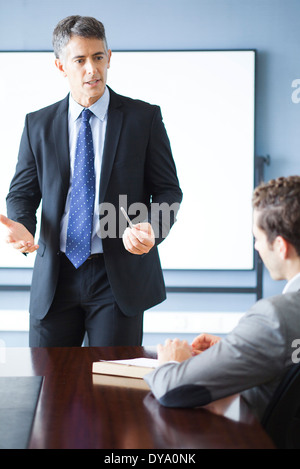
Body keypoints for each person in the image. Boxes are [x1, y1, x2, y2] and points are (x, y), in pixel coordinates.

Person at [0, 15, 182, 347]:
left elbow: (169, 190)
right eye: (80, 60)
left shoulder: (144, 118)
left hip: (118, 277)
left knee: (113, 387)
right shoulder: (37, 124)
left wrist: (153, 227)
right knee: (47, 387)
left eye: (98, 57)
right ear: (60, 66)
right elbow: (23, 193)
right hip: (55, 276)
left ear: (109, 57)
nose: (91, 69)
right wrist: (23, 223)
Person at [145, 176, 300, 421]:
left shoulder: (274, 318)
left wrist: (170, 363)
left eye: (257, 238)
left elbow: (172, 389)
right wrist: (240, 351)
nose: (257, 248)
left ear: (280, 246)